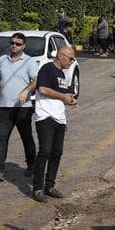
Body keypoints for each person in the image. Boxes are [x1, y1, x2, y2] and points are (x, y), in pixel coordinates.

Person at [0, 32, 38, 182]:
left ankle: (32, 166)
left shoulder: (30, 61)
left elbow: (35, 81)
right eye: (12, 43)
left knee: (26, 138)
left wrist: (26, 91)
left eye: (18, 44)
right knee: (1, 139)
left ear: (24, 46)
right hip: (3, 107)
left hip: (23, 108)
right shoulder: (1, 60)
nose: (14, 46)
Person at [30, 45, 78, 202]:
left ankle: (49, 185)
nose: (72, 61)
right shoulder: (47, 68)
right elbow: (42, 89)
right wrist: (62, 96)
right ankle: (37, 188)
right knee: (45, 151)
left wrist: (68, 98)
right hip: (45, 117)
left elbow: (60, 94)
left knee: (57, 153)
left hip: (59, 117)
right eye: (71, 58)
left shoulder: (62, 73)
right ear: (61, 56)